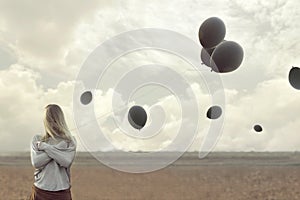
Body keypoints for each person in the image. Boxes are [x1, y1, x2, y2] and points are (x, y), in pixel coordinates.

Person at [29, 104, 77, 200]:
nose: (51, 123)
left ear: (59, 119)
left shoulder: (69, 141)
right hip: (40, 190)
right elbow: (36, 162)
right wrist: (58, 148)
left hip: (61, 192)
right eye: (49, 119)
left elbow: (65, 162)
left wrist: (45, 147)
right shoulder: (37, 139)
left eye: (54, 119)